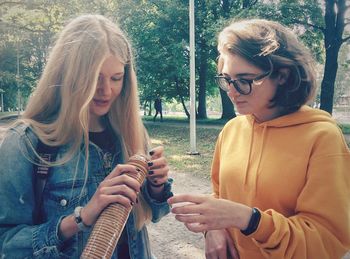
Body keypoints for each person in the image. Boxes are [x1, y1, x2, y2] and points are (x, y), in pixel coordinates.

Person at [168, 19, 350, 259]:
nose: (232, 91)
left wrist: (251, 220)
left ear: (282, 75)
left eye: (244, 80)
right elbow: (220, 197)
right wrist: (214, 229)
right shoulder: (231, 130)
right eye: (227, 80)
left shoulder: (322, 137)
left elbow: (326, 241)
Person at [0, 14, 173, 258]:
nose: (106, 91)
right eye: (94, 78)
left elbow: (153, 214)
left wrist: (156, 187)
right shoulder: (26, 142)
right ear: (67, 75)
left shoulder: (130, 132)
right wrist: (80, 218)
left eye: (116, 78)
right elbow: (6, 245)